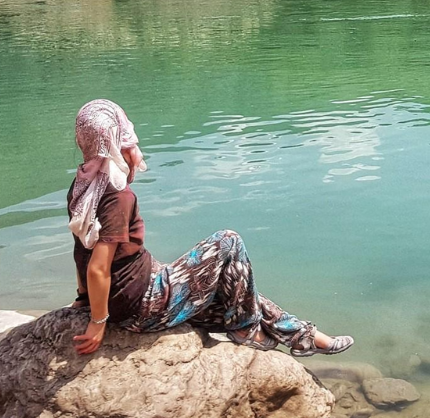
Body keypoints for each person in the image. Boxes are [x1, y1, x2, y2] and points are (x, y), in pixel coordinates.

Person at [68, 99, 353, 357]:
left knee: (236, 286)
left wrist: (84, 298)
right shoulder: (117, 195)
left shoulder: (84, 185)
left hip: (133, 293)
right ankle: (245, 328)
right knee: (228, 242)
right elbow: (97, 267)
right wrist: (97, 322)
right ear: (115, 139)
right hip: (143, 307)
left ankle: (305, 336)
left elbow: (82, 248)